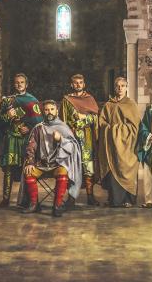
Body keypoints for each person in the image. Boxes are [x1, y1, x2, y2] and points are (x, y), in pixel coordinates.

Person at [19, 100, 82, 217]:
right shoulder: (38, 128)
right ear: (43, 111)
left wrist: (61, 139)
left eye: (52, 109)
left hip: (57, 165)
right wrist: (30, 162)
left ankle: (57, 205)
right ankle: (34, 204)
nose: (49, 112)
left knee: (63, 171)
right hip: (41, 164)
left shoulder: (63, 127)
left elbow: (73, 146)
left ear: (57, 111)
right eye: (47, 109)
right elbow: (31, 147)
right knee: (28, 172)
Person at [0, 73, 43, 207]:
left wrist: (29, 127)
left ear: (26, 84)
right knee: (8, 169)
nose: (19, 85)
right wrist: (8, 116)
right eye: (16, 82)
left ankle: (28, 200)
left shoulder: (32, 100)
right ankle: (5, 200)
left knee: (26, 169)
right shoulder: (7, 101)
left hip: (26, 140)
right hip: (11, 138)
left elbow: (39, 122)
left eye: (21, 82)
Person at [98, 77, 139, 207]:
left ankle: (127, 199)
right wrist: (108, 129)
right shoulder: (108, 105)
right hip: (110, 145)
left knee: (125, 168)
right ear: (114, 88)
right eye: (117, 86)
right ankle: (113, 199)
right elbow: (101, 123)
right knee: (112, 170)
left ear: (126, 88)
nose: (120, 88)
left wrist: (115, 129)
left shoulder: (131, 105)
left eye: (123, 85)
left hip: (125, 146)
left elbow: (134, 127)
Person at [60, 74, 99, 206]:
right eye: (75, 83)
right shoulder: (66, 100)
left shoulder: (90, 99)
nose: (78, 85)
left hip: (87, 138)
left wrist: (84, 118)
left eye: (80, 82)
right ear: (71, 84)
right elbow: (63, 121)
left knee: (88, 167)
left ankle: (90, 195)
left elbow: (95, 118)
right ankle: (71, 197)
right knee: (73, 167)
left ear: (84, 84)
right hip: (72, 137)